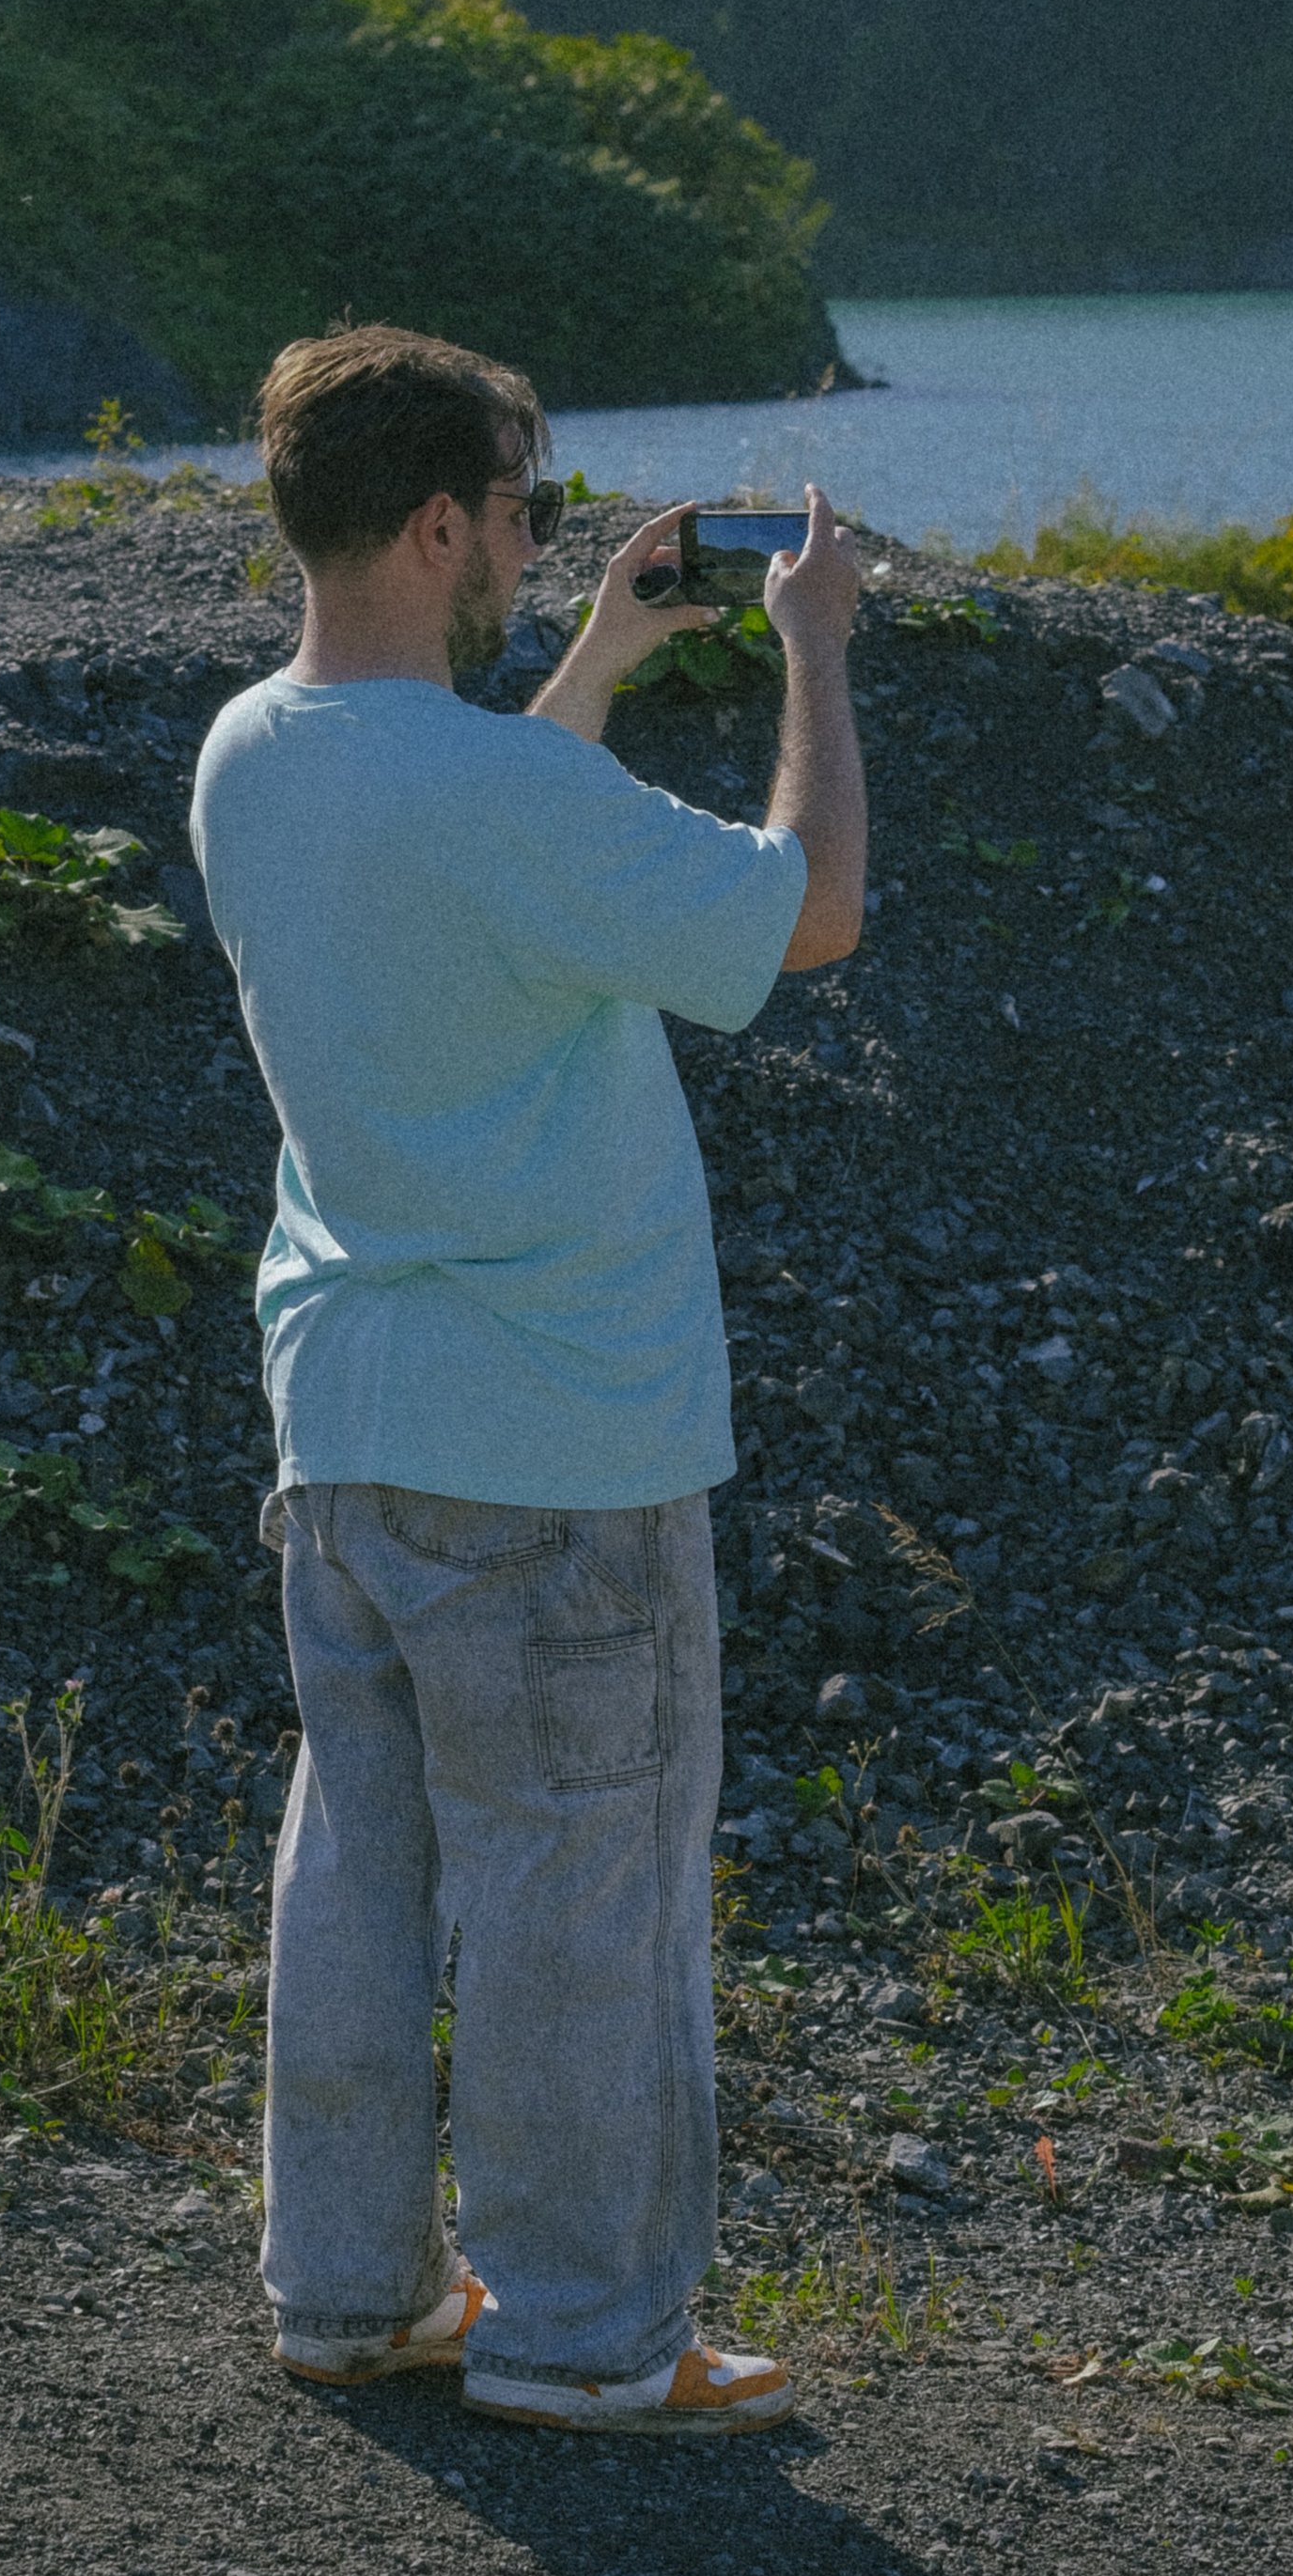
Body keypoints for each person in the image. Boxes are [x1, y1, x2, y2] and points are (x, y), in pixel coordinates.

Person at [189, 322, 868, 2437]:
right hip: (558, 1430)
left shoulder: (250, 754)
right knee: (586, 1894)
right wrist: (810, 658)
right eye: (520, 511)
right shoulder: (488, 798)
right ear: (430, 523)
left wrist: (591, 656)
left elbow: (478, 831)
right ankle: (587, 2336)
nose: (531, 540)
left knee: (361, 1875)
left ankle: (352, 2290)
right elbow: (805, 917)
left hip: (350, 1410)